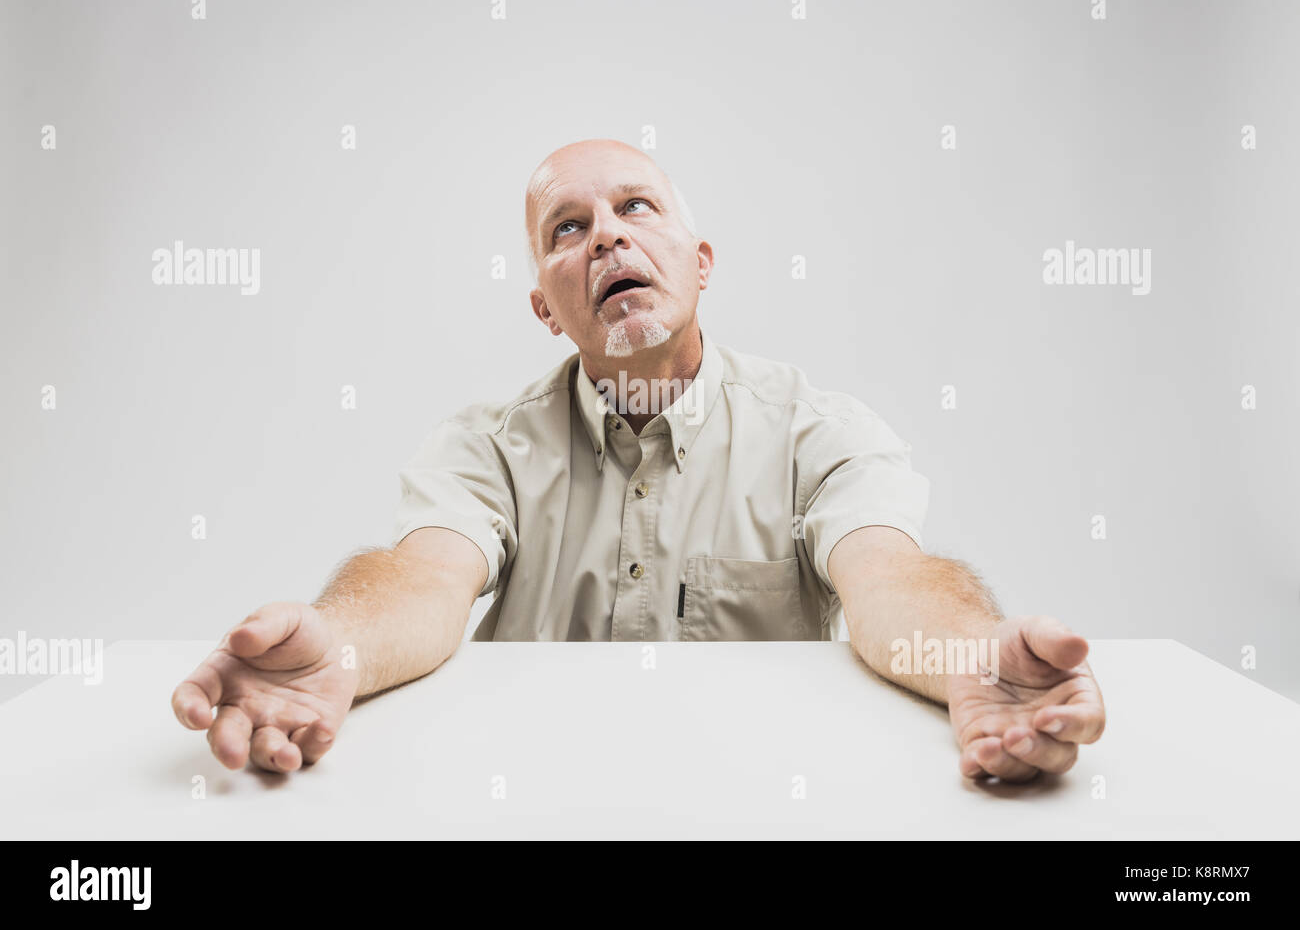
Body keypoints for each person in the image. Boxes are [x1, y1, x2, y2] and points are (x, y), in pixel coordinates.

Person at [171, 139, 1105, 783]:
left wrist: (972, 655)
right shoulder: (485, 446)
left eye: (635, 207)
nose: (608, 234)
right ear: (547, 308)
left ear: (699, 262)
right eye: (566, 229)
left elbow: (890, 576)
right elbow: (421, 578)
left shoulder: (818, 429)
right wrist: (335, 647)